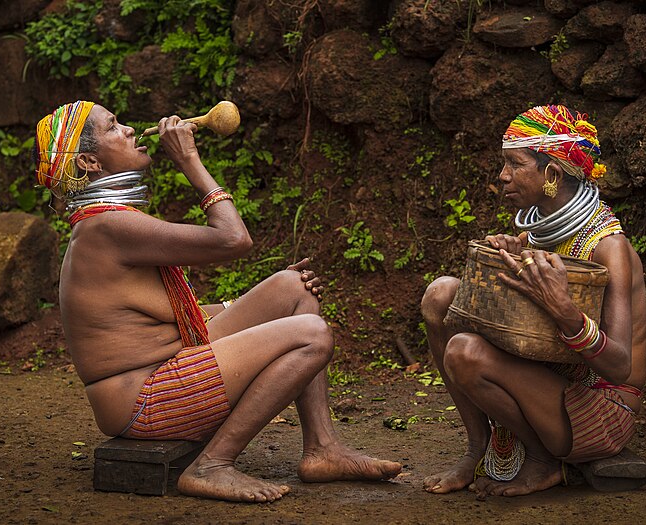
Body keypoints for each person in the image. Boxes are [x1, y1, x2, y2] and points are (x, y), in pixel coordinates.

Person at [34, 101, 401, 503]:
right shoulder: (105, 226)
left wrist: (252, 305)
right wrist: (189, 159)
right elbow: (234, 239)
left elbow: (168, 316)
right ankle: (212, 465)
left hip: (169, 366)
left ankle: (322, 449)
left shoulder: (106, 221)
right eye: (113, 127)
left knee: (292, 288)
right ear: (89, 161)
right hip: (142, 402)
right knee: (311, 335)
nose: (130, 131)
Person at [420, 105, 646, 498]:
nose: (502, 175)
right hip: (546, 386)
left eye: (514, 164)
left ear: (552, 175)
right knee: (441, 294)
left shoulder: (609, 248)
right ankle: (477, 448)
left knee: (464, 352)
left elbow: (620, 366)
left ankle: (544, 460)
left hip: (597, 408)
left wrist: (566, 311)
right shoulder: (539, 232)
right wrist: (503, 263)